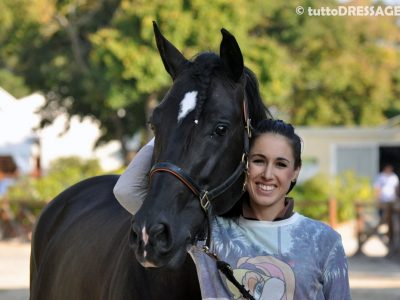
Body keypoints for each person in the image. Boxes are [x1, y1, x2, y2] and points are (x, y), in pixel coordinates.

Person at [114, 119, 351, 300]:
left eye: (280, 164)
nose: (267, 174)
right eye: (259, 160)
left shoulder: (324, 241)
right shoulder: (209, 233)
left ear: (295, 171)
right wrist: (172, 128)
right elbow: (127, 190)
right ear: (245, 165)